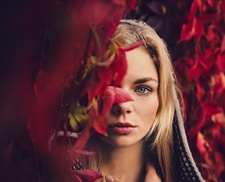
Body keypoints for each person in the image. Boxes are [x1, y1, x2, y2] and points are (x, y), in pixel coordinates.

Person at [68, 19, 205, 182]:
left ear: (162, 99)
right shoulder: (45, 172)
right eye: (108, 86)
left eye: (142, 89)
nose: (123, 105)